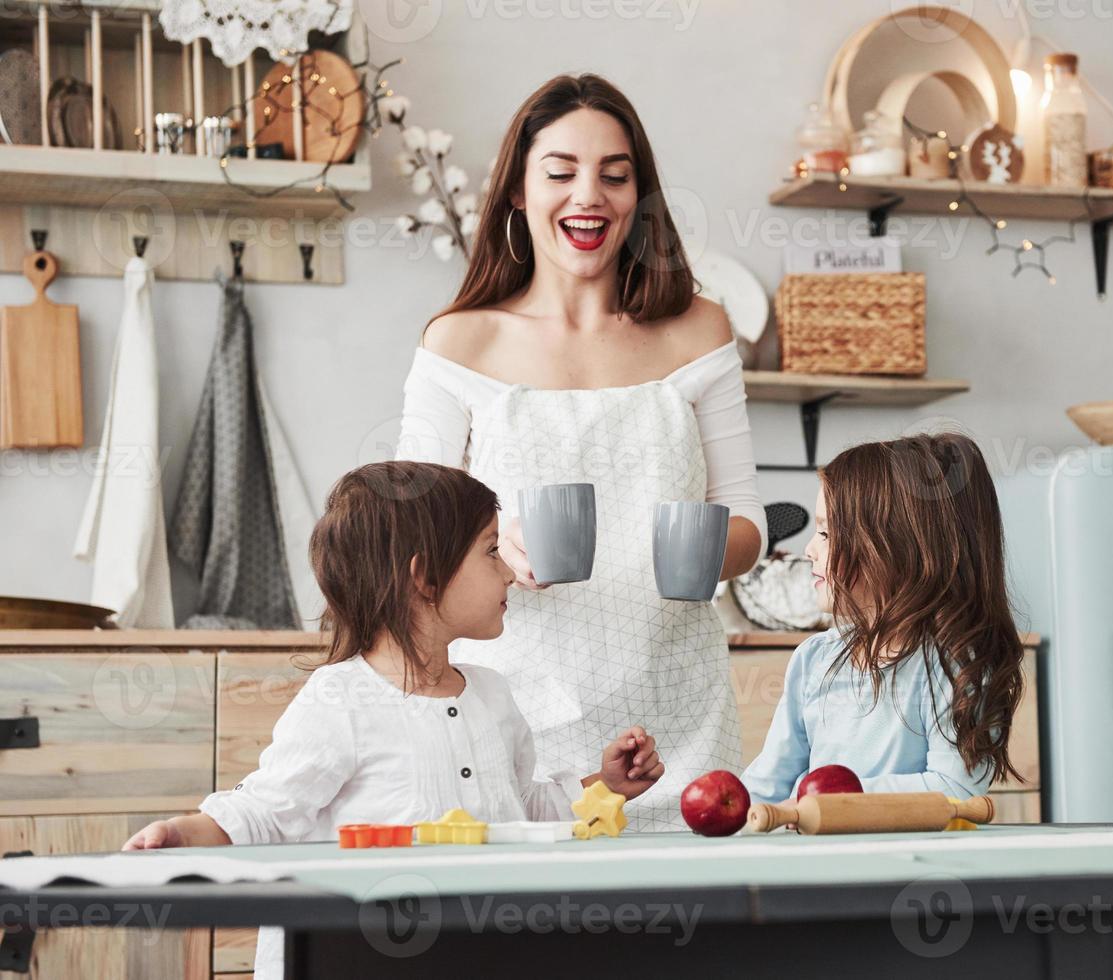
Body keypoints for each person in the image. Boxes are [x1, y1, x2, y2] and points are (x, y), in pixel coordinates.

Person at [123, 461, 663, 978]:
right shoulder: (340, 700)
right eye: (491, 550)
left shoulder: (494, 695)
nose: (508, 570)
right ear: (425, 577)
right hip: (355, 962)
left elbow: (522, 812)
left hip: (479, 956)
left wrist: (606, 787)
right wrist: (180, 834)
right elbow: (262, 814)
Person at [397, 74, 765, 829]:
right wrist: (495, 547)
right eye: (560, 173)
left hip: (679, 725)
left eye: (614, 175)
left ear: (640, 196)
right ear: (519, 195)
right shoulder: (459, 341)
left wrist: (699, 550)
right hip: (514, 722)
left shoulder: (699, 331)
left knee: (686, 940)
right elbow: (409, 529)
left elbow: (747, 525)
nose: (588, 195)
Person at [742, 434, 1025, 803]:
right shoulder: (814, 659)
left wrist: (837, 798)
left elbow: (955, 788)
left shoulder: (953, 663)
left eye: (826, 533)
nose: (809, 550)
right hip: (821, 859)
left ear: (897, 548)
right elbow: (769, 785)